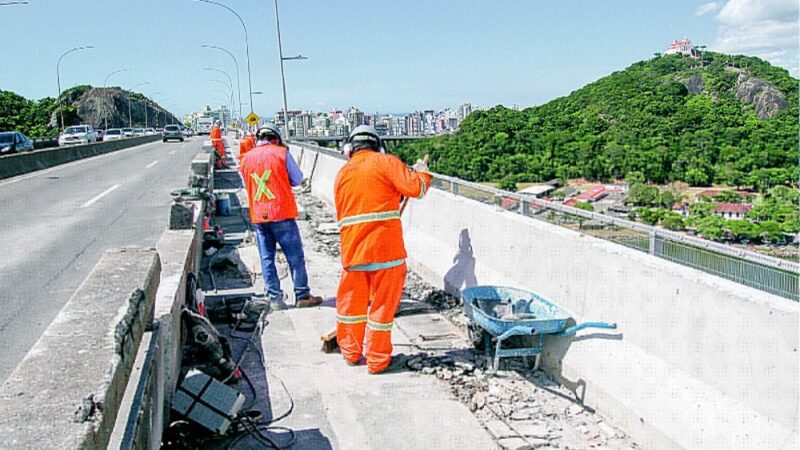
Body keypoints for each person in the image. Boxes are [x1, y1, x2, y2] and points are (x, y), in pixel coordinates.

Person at [333, 125, 431, 374]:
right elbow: (416, 189)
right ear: (378, 145)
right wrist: (422, 173)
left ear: (349, 149)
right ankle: (377, 361)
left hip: (352, 252)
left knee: (351, 307)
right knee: (381, 307)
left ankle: (351, 352)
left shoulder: (342, 174)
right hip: (386, 252)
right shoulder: (386, 162)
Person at [239, 123, 322, 309]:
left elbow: (246, 184)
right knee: (295, 257)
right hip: (282, 212)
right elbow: (298, 179)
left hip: (259, 216)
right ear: (275, 138)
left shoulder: (245, 159)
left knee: (266, 258)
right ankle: (302, 295)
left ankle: (275, 298)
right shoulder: (281, 153)